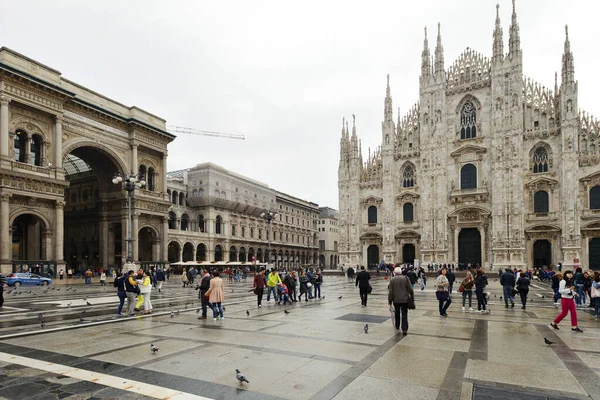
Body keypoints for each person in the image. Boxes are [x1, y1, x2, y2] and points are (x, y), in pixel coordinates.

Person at [388, 267, 414, 335]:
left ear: (395, 272)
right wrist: (411, 295)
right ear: (401, 272)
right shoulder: (406, 278)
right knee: (404, 314)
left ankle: (397, 325)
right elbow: (410, 289)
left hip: (396, 300)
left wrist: (390, 301)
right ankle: (404, 329)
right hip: (404, 300)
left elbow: (390, 292)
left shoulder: (392, 279)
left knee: (397, 313)